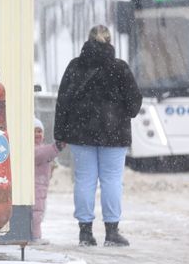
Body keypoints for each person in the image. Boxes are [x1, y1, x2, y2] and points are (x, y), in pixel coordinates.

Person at [54, 25, 142, 247]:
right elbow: (134, 103)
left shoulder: (75, 67)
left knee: (84, 180)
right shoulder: (120, 68)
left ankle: (85, 232)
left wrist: (59, 133)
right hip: (114, 134)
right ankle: (112, 232)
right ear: (110, 41)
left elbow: (63, 101)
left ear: (88, 40)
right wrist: (120, 110)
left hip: (81, 133)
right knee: (112, 180)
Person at [32, 117, 63, 244]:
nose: (37, 134)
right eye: (34, 131)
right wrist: (56, 148)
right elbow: (41, 154)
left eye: (40, 131)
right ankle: (35, 236)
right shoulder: (33, 149)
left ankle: (36, 234)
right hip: (36, 185)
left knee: (40, 211)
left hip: (42, 184)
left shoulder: (41, 147)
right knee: (36, 211)